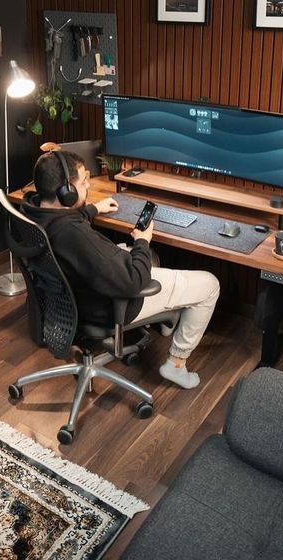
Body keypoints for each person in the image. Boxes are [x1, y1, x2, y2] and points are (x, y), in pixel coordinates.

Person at [21, 149, 220, 389]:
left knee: (147, 258)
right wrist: (143, 240)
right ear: (67, 191)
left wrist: (92, 210)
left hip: (69, 299)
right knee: (209, 284)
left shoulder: (32, 211)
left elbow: (67, 224)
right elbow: (133, 281)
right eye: (84, 181)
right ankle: (176, 364)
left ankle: (169, 318)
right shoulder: (74, 236)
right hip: (109, 304)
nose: (89, 185)